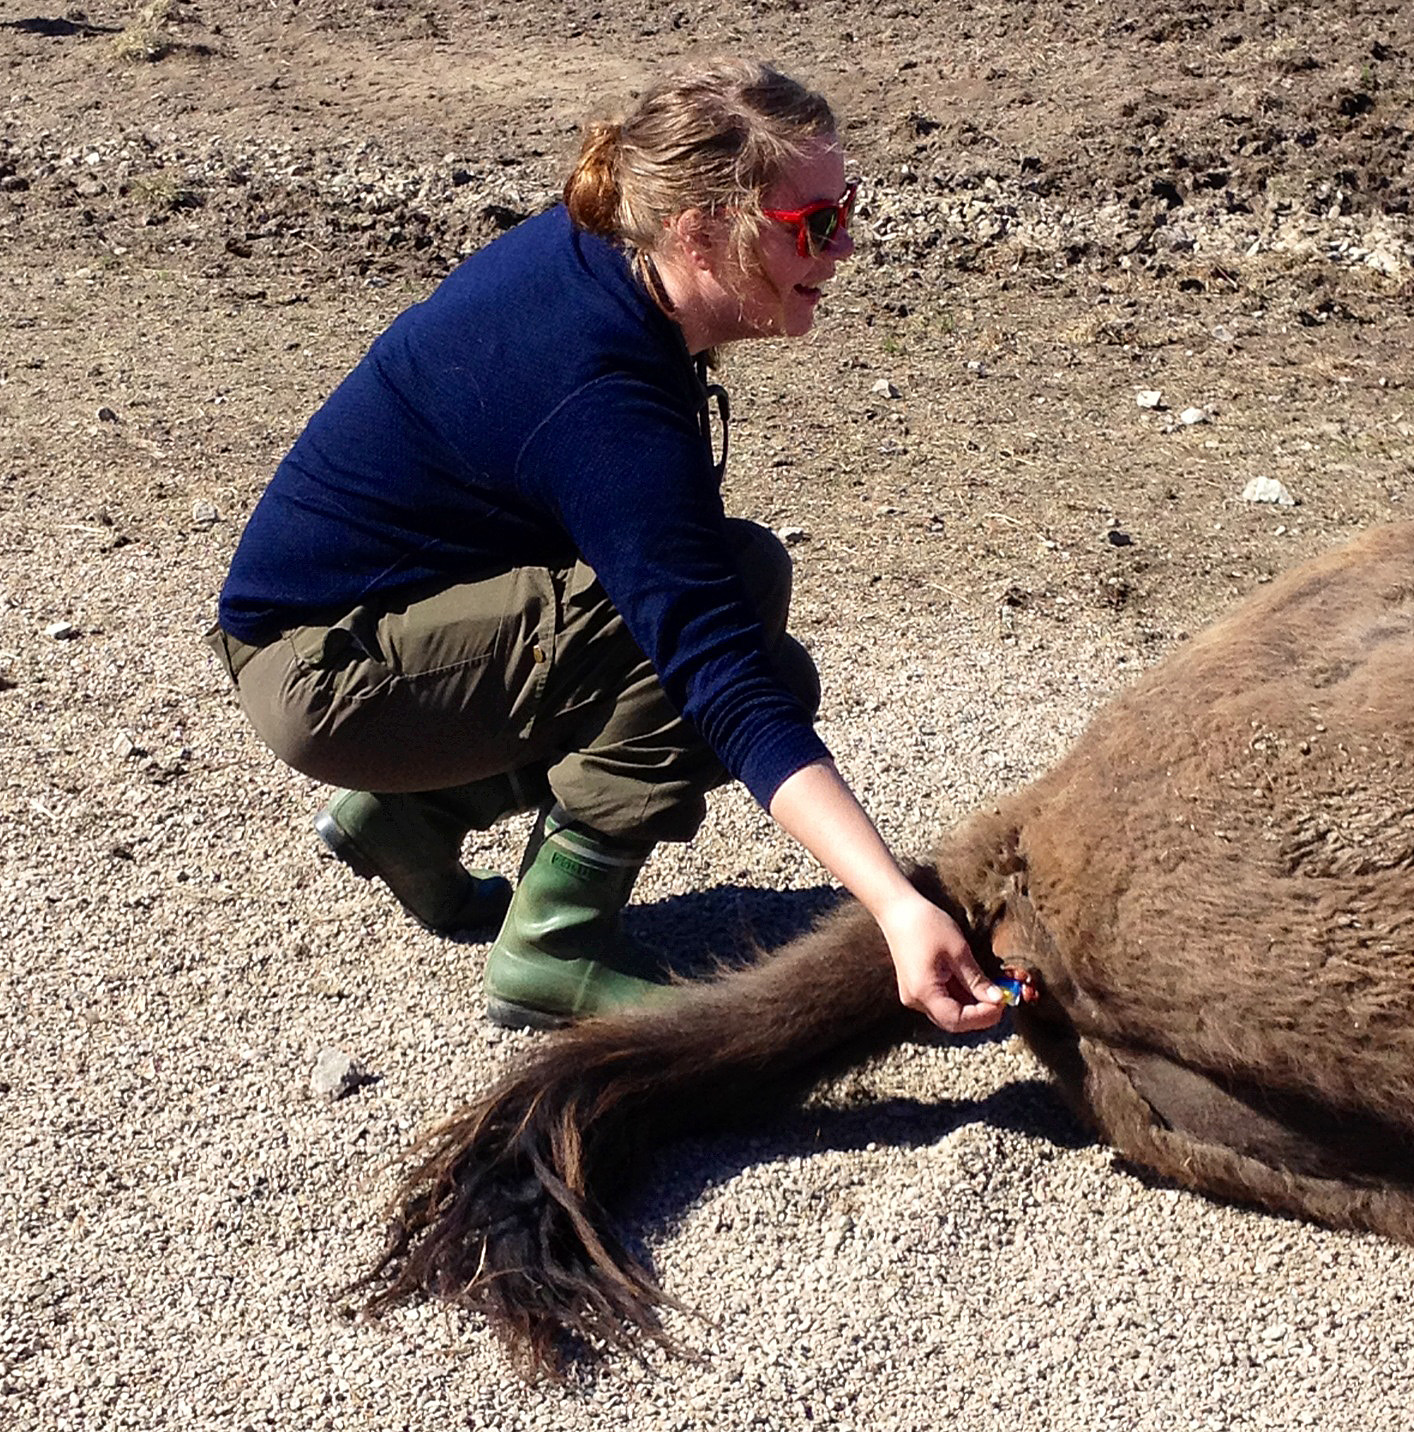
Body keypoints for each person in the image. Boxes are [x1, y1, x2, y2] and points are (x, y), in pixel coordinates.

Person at [206, 57, 1009, 1036]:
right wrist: (893, 901)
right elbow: (714, 674)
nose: (842, 249)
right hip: (330, 672)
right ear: (700, 231)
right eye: (813, 227)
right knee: (740, 638)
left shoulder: (608, 262)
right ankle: (553, 947)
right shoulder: (602, 391)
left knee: (751, 612)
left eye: (846, 209)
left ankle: (410, 819)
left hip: (365, 630)